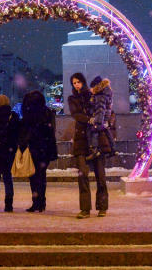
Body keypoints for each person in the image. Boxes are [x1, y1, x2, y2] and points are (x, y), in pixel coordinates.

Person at [68, 72, 112, 218]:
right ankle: (85, 209)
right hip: (81, 139)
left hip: (96, 137)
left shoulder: (92, 94)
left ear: (83, 82)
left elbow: (104, 108)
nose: (76, 85)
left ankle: (102, 207)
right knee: (83, 176)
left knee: (100, 175)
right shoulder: (72, 98)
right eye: (74, 83)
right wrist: (89, 119)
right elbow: (76, 114)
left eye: (78, 82)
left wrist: (102, 121)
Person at [18, 89, 58, 213]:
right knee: (41, 176)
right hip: (45, 149)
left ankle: (37, 202)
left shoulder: (30, 114)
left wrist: (24, 144)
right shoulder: (47, 113)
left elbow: (25, 132)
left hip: (35, 148)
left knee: (34, 176)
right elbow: (50, 132)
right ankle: (41, 202)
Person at [85, 76, 116, 160]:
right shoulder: (105, 92)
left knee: (93, 131)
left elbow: (100, 109)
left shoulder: (100, 95)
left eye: (91, 88)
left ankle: (94, 151)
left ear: (95, 86)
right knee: (106, 130)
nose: (90, 90)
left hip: (101, 118)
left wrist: (97, 122)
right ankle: (113, 149)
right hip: (105, 117)